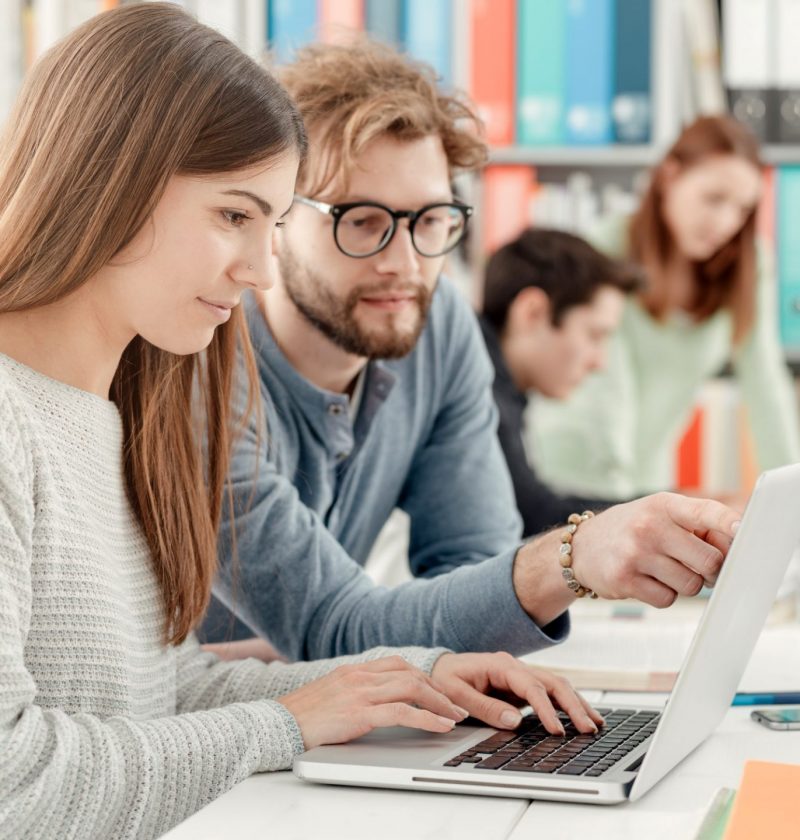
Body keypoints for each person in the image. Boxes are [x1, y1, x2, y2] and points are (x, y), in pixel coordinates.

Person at [0, 7, 606, 838]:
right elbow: (13, 784)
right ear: (113, 181)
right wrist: (290, 722)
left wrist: (411, 677)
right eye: (234, 216)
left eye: (272, 224)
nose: (260, 270)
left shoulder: (116, 414)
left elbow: (161, 691)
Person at [202, 40, 741, 665]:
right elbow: (335, 625)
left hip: (338, 705)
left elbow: (476, 573)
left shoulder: (435, 323)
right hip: (209, 719)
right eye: (361, 220)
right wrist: (574, 556)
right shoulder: (203, 362)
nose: (404, 264)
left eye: (430, 220)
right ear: (276, 219)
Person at [532, 116, 800, 500]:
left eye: (742, 209)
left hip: (649, 481)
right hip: (575, 474)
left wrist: (790, 499)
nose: (725, 222)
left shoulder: (749, 266)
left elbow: (766, 383)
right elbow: (605, 394)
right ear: (669, 177)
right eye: (714, 199)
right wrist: (620, 507)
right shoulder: (605, 248)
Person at [479, 227, 641, 536]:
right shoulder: (477, 390)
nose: (600, 362)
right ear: (532, 312)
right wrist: (668, 509)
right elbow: (529, 513)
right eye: (595, 335)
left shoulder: (500, 385)